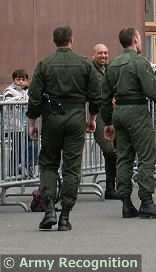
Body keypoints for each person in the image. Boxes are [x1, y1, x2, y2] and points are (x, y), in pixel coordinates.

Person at [101, 28, 156, 219]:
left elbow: (104, 96)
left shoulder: (113, 65)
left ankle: (126, 203)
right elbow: (151, 90)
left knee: (124, 157)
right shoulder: (139, 62)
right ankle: (146, 201)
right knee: (146, 156)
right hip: (136, 111)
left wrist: (108, 122)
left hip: (118, 112)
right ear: (136, 40)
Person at [27, 26, 100, 231]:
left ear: (54, 41)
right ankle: (65, 216)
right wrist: (91, 118)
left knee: (48, 162)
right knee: (72, 166)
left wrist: (33, 122)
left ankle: (49, 208)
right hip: (76, 117)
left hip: (51, 118)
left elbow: (34, 96)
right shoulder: (85, 64)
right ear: (71, 40)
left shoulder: (44, 64)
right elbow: (96, 96)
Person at [91, 43, 119, 200]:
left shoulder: (109, 70)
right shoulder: (90, 70)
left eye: (106, 53)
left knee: (113, 151)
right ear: (93, 55)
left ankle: (111, 187)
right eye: (100, 53)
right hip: (94, 113)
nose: (104, 56)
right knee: (109, 149)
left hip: (109, 113)